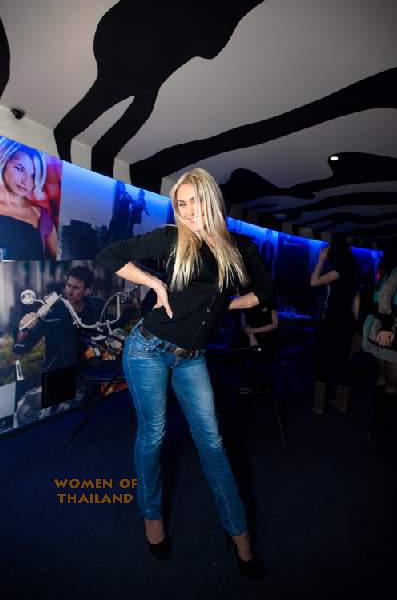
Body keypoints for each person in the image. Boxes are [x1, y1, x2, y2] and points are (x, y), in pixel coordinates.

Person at [96, 167, 274, 579]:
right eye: (182, 203)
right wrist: (155, 285)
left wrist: (222, 305)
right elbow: (109, 255)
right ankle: (152, 517)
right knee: (154, 435)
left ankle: (240, 535)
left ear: (211, 199)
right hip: (147, 349)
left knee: (213, 444)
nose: (190, 210)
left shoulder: (240, 248)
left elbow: (264, 294)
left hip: (192, 357)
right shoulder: (174, 239)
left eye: (195, 200)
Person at [362, 244, 397, 444]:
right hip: (392, 330)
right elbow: (385, 294)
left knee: (383, 376)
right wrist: (386, 324)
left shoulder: (387, 270)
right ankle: (382, 428)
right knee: (394, 382)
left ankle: (376, 426)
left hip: (378, 326)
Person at [13, 266, 105, 373]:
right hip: (59, 372)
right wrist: (23, 328)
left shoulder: (96, 305)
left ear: (86, 291)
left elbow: (113, 328)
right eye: (68, 285)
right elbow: (23, 346)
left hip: (91, 368)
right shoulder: (53, 311)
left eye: (76, 288)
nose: (69, 291)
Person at [310, 238, 360, 415]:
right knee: (344, 362)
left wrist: (320, 260)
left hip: (332, 320)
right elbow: (356, 300)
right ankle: (342, 404)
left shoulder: (337, 272)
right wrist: (354, 324)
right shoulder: (353, 272)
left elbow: (313, 282)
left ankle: (319, 406)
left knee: (322, 361)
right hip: (347, 321)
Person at [0, 138, 58, 260]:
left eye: (33, 175)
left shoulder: (40, 215)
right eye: (20, 168)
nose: (26, 181)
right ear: (4, 160)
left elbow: (57, 259)